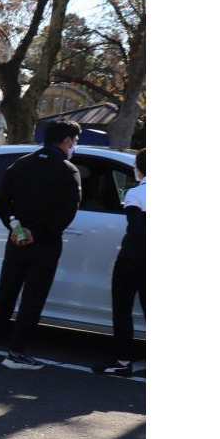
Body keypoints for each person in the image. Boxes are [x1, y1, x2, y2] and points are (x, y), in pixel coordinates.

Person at [0, 119, 83, 371]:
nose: (75, 146)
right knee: (33, 297)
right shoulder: (68, 170)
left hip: (17, 241)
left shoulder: (20, 164)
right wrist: (39, 233)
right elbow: (67, 214)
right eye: (75, 142)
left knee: (7, 291)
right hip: (45, 245)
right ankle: (16, 352)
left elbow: (3, 204)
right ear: (67, 141)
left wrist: (17, 229)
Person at [97, 147, 146, 376]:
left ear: (138, 170)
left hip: (134, 257)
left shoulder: (136, 194)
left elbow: (136, 228)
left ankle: (123, 361)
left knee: (123, 308)